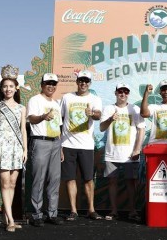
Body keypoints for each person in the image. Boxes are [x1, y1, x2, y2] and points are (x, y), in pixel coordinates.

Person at [0, 65, 27, 232]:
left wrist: (25, 149)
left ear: (16, 87)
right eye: (5, 86)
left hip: (17, 147)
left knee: (12, 184)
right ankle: (10, 219)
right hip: (2, 146)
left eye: (11, 86)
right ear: (1, 89)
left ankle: (6, 216)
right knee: (4, 184)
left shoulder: (21, 108)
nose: (8, 89)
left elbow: (23, 129)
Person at [60, 70, 103, 221]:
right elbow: (60, 120)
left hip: (86, 146)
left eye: (86, 81)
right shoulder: (66, 97)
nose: (83, 83)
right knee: (70, 178)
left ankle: (91, 209)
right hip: (67, 144)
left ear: (90, 83)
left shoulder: (95, 99)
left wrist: (91, 114)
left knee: (88, 179)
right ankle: (73, 210)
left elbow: (98, 115)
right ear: (77, 82)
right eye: (81, 80)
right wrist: (60, 145)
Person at [100, 83, 145, 221]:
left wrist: (137, 149)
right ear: (116, 93)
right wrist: (109, 119)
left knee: (131, 183)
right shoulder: (108, 108)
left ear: (128, 94)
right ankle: (114, 211)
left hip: (129, 154)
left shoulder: (135, 109)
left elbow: (141, 130)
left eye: (126, 91)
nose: (123, 94)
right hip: (111, 153)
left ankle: (132, 211)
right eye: (120, 91)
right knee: (112, 182)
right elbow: (102, 127)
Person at [27, 73, 64, 227]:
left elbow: (59, 127)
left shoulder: (56, 103)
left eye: (53, 83)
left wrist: (60, 147)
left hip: (55, 142)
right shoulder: (35, 100)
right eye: (48, 83)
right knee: (39, 179)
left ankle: (52, 213)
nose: (51, 86)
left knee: (54, 180)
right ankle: (36, 214)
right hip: (40, 142)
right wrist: (43, 116)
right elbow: (31, 119)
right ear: (42, 85)